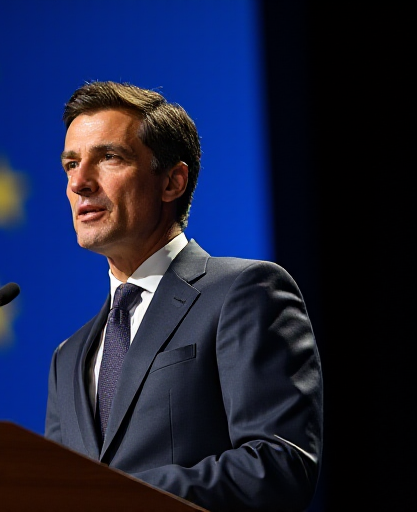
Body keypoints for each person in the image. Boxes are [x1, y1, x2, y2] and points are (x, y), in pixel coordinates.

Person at [45, 80, 323, 512]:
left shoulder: (245, 291)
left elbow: (278, 465)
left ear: (172, 181)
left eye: (109, 158)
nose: (80, 183)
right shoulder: (69, 357)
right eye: (70, 164)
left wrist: (115, 498)